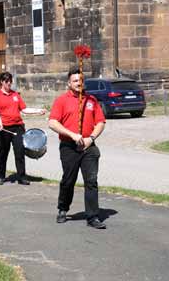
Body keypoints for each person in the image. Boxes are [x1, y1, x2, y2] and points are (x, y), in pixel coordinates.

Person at [48, 69, 107, 229]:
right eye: (75, 81)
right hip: (69, 147)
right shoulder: (61, 100)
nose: (78, 83)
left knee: (91, 181)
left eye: (81, 80)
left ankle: (92, 216)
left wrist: (91, 138)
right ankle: (63, 208)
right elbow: (52, 122)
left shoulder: (91, 100)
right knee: (68, 180)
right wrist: (72, 135)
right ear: (69, 83)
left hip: (88, 147)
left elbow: (100, 122)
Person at [0, 72, 46, 186]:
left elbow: (24, 109)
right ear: (2, 82)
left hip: (17, 127)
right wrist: (0, 123)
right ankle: (0, 176)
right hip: (3, 128)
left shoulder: (15, 95)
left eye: (11, 81)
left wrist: (37, 111)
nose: (9, 83)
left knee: (20, 151)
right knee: (3, 152)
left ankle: (22, 177)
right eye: (7, 81)